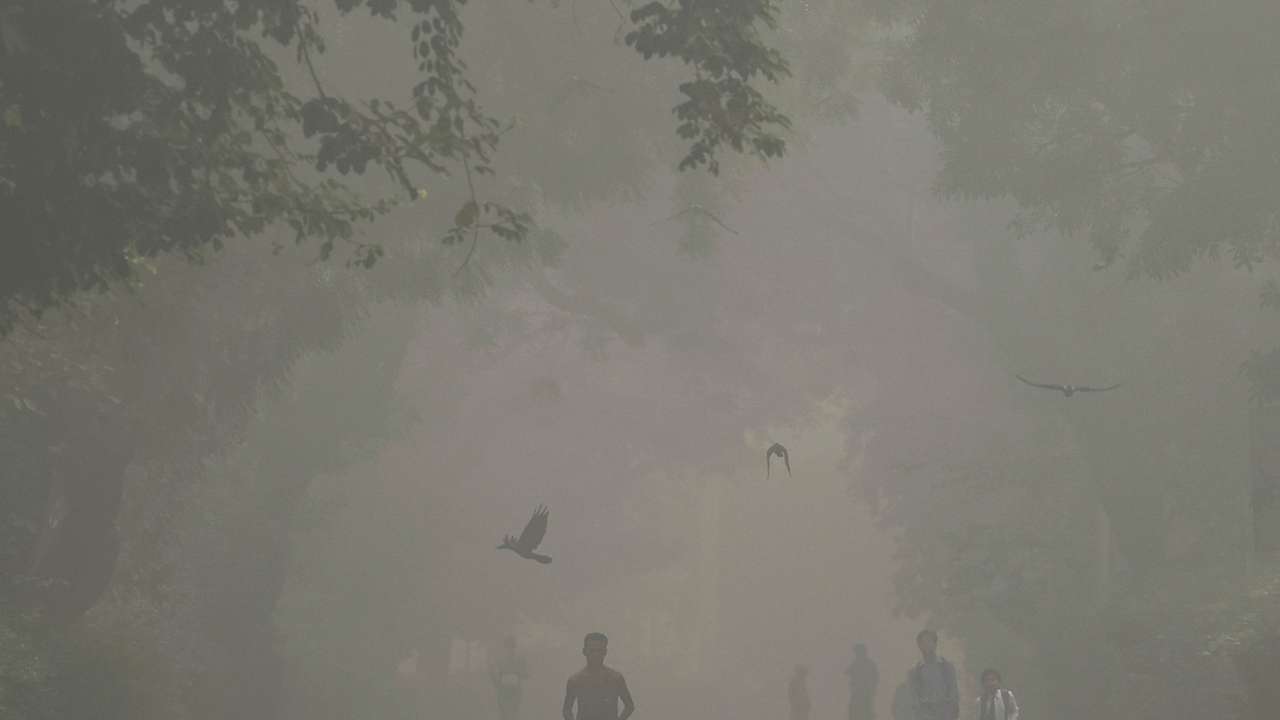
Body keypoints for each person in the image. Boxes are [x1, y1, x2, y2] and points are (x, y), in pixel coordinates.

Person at [563, 632, 635, 720]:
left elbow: (629, 706)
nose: (596, 654)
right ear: (584, 651)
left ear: (605, 652)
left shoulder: (616, 678)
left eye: (599, 650)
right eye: (592, 650)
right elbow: (567, 710)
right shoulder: (575, 681)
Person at [908, 630, 959, 720]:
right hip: (925, 714)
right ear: (919, 646)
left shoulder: (947, 667)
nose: (926, 645)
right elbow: (914, 698)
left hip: (945, 713)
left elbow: (954, 692)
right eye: (923, 642)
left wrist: (951, 712)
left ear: (935, 643)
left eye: (929, 641)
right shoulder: (914, 671)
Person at [490, 636, 528, 720]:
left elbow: (525, 673)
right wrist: (497, 683)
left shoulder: (517, 659)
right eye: (509, 646)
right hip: (507, 689)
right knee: (508, 712)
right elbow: (494, 672)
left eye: (511, 646)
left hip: (510, 689)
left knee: (509, 712)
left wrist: (497, 683)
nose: (510, 649)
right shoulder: (502, 659)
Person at [846, 642, 879, 720]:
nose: (856, 654)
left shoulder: (867, 664)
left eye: (857, 652)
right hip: (858, 692)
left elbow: (875, 678)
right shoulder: (857, 663)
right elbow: (847, 672)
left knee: (864, 712)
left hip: (864, 693)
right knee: (856, 712)